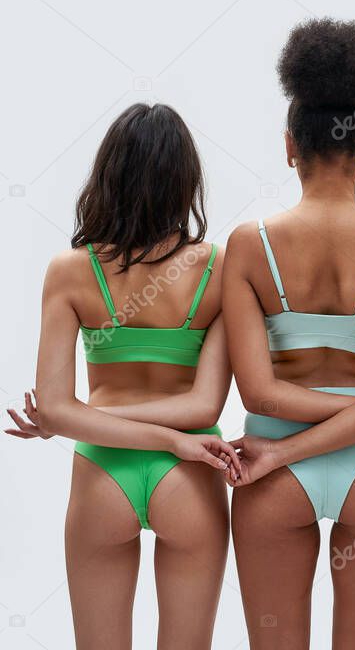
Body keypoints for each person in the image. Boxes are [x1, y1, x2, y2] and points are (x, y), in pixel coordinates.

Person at [222, 18, 355, 649]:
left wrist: (296, 442)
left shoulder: (248, 246)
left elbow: (259, 395)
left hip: (270, 464)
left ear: (289, 146)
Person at [6, 103, 238, 650]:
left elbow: (60, 410)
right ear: (187, 181)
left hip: (102, 472)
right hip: (193, 472)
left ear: (108, 175)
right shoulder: (220, 268)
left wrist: (73, 416)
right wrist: (170, 441)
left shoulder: (71, 271)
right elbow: (204, 408)